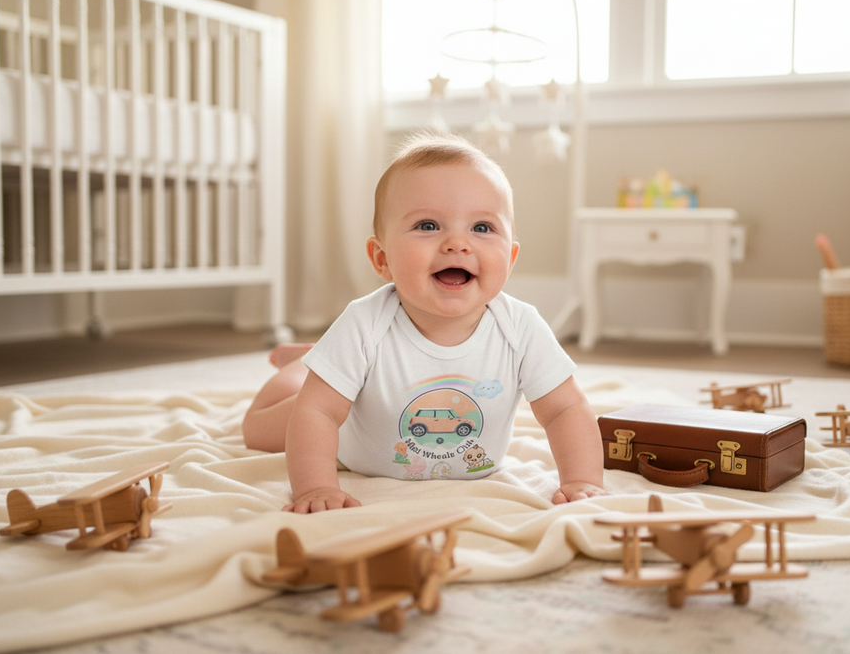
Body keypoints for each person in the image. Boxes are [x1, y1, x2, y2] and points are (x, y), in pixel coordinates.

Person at [243, 132, 606, 513]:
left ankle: (324, 359)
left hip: (364, 371)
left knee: (331, 378)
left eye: (481, 228)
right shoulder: (365, 323)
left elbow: (565, 409)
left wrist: (582, 481)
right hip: (350, 423)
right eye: (428, 226)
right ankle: (307, 368)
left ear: (510, 259)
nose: (456, 243)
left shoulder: (522, 328)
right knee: (261, 430)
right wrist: (314, 487)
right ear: (381, 258)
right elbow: (317, 413)